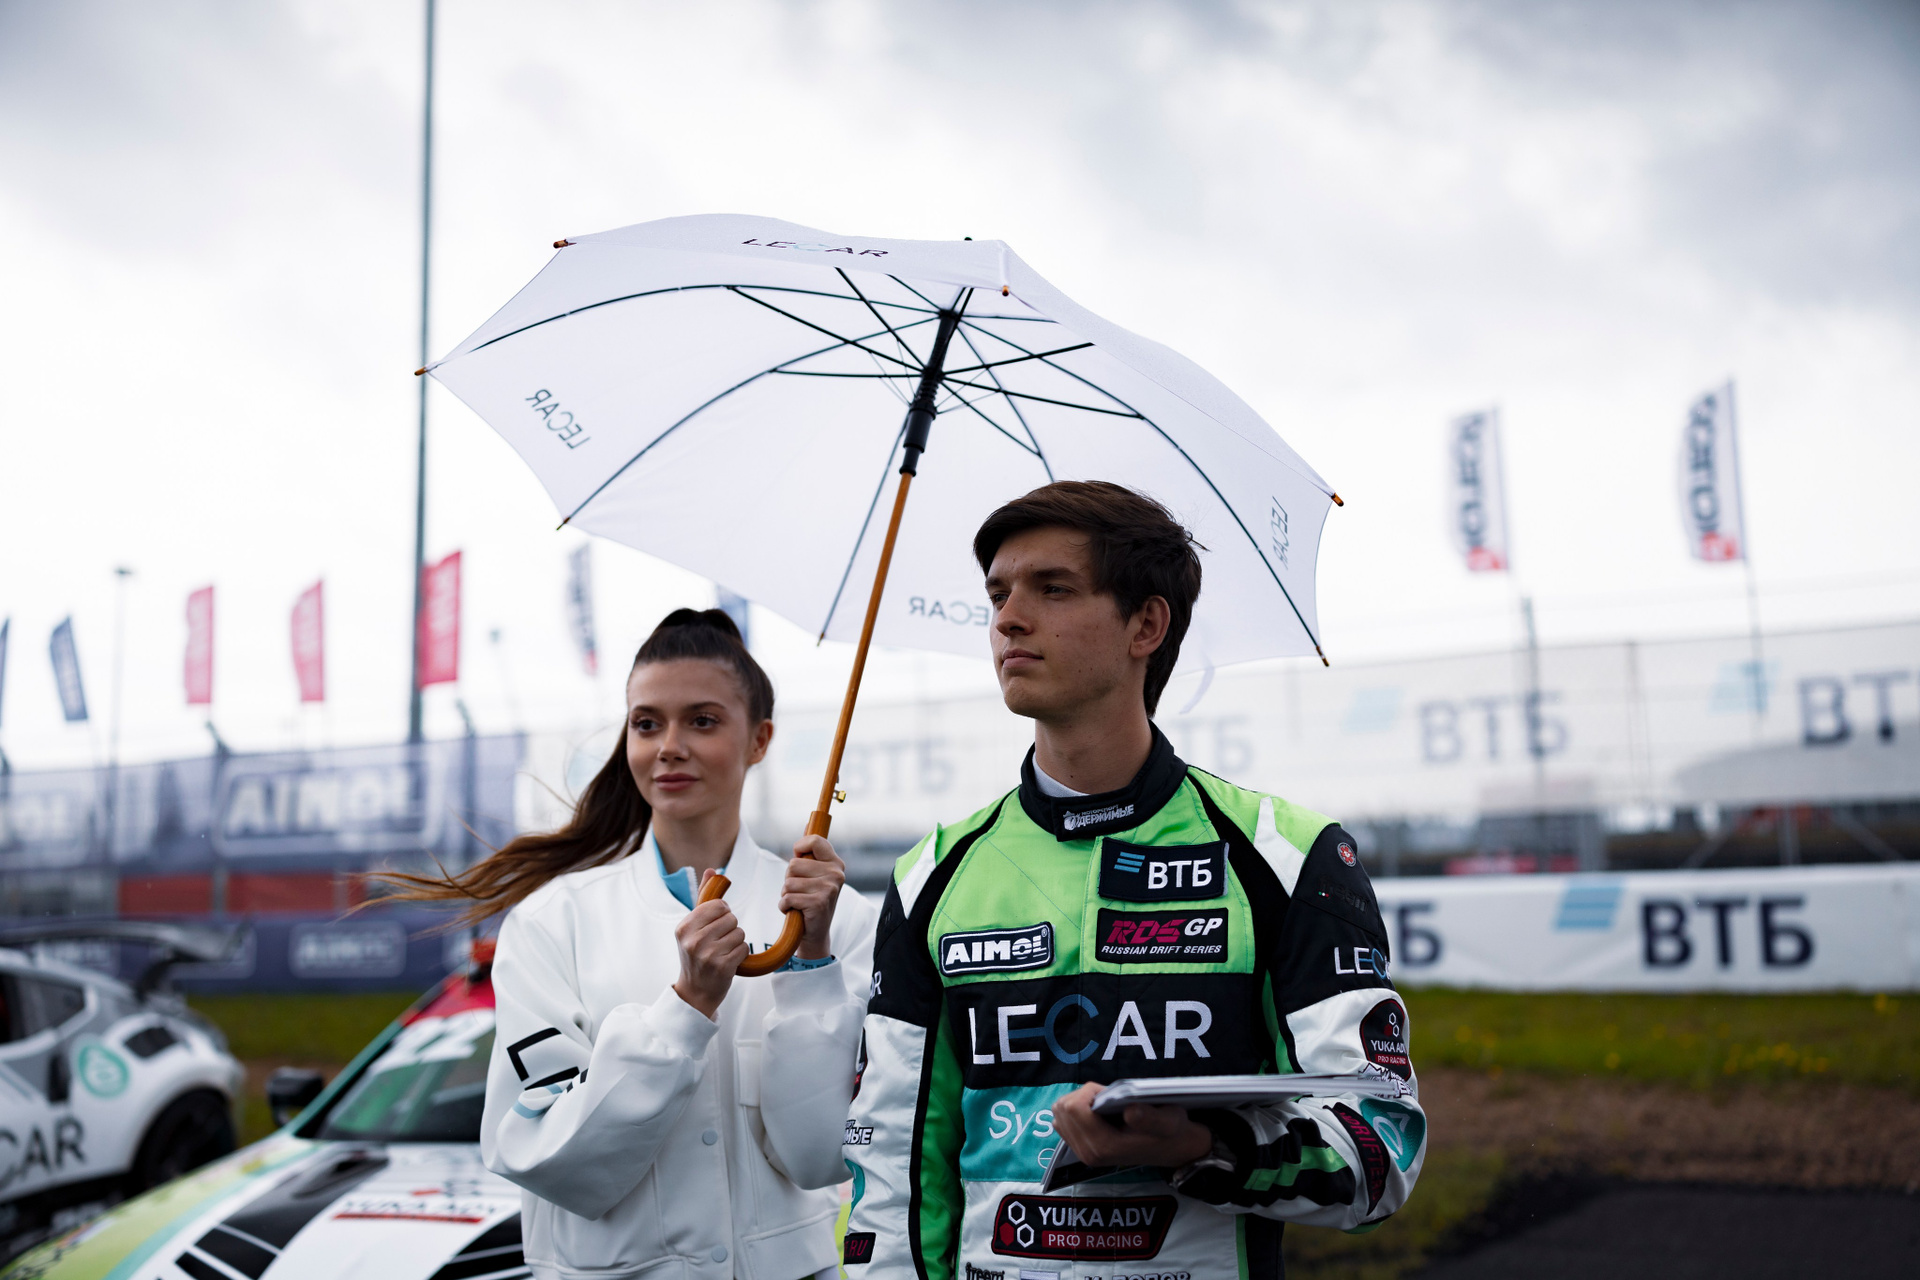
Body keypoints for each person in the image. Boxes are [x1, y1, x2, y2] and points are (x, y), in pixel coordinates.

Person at [841, 483, 1424, 1280]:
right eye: (999, 595)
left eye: (1053, 589)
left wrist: (1203, 1146)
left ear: (1146, 625)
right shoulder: (933, 874)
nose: (1009, 619)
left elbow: (1382, 1148)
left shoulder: (1289, 856)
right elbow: (893, 1172)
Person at [384, 608, 877, 1280]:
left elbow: (819, 1159)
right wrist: (685, 1008)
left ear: (759, 739)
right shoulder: (551, 921)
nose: (669, 746)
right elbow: (547, 1157)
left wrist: (812, 966)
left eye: (702, 721)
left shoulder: (837, 920)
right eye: (647, 724)